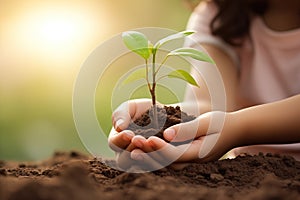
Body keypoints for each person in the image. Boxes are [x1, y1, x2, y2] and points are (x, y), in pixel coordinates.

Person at [108, 0, 300, 170]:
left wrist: (240, 127)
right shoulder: (219, 16)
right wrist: (162, 116)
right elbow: (211, 105)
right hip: (253, 173)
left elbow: (224, 121)